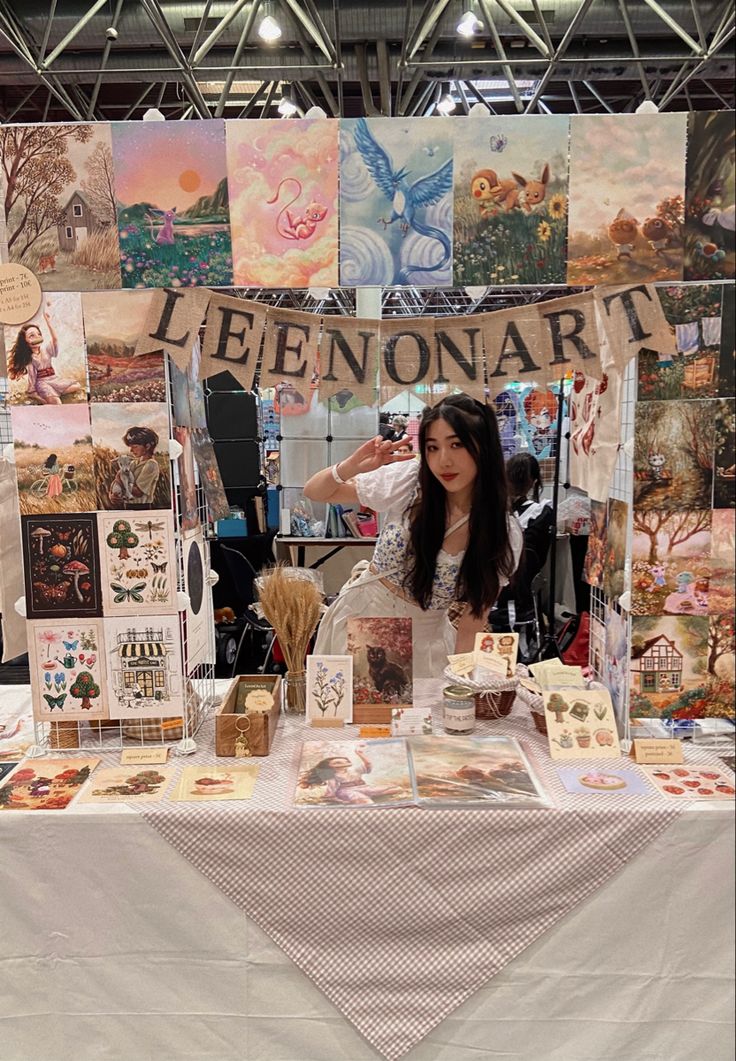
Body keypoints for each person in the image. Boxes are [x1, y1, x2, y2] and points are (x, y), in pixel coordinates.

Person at [304, 393, 523, 675]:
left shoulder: (502, 531)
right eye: (432, 447)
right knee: (356, 718)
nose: (444, 460)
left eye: (456, 444)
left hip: (427, 644)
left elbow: (472, 624)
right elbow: (315, 491)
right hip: (363, 622)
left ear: (484, 446)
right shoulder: (410, 482)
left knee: (422, 719)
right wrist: (354, 466)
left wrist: (461, 685)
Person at [490, 452, 554, 648]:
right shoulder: (541, 513)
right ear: (534, 481)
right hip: (518, 596)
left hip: (487, 593)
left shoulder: (489, 511)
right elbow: (536, 561)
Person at [7, 312, 83, 405]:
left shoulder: (46, 350)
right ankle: (50, 394)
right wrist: (33, 392)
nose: (37, 337)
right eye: (32, 336)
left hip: (54, 379)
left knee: (77, 385)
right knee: (57, 402)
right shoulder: (30, 359)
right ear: (26, 342)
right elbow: (32, 377)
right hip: (42, 383)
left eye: (38, 334)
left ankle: (55, 391)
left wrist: (48, 321)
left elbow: (55, 339)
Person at [299, 747, 403, 805]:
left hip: (364, 787)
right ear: (330, 766)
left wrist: (360, 754)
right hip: (347, 790)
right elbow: (331, 790)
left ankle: (370, 794)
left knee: (397, 788)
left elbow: (368, 765)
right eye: (337, 763)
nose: (342, 764)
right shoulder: (332, 775)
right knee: (364, 801)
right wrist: (336, 798)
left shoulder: (354, 770)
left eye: (344, 761)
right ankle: (366, 801)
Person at [111, 426, 160, 508]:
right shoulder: (133, 462)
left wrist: (120, 480)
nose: (131, 450)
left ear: (147, 446)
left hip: (142, 507)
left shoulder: (151, 464)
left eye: (134, 447)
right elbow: (117, 479)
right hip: (127, 505)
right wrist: (112, 494)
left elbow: (138, 492)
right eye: (130, 447)